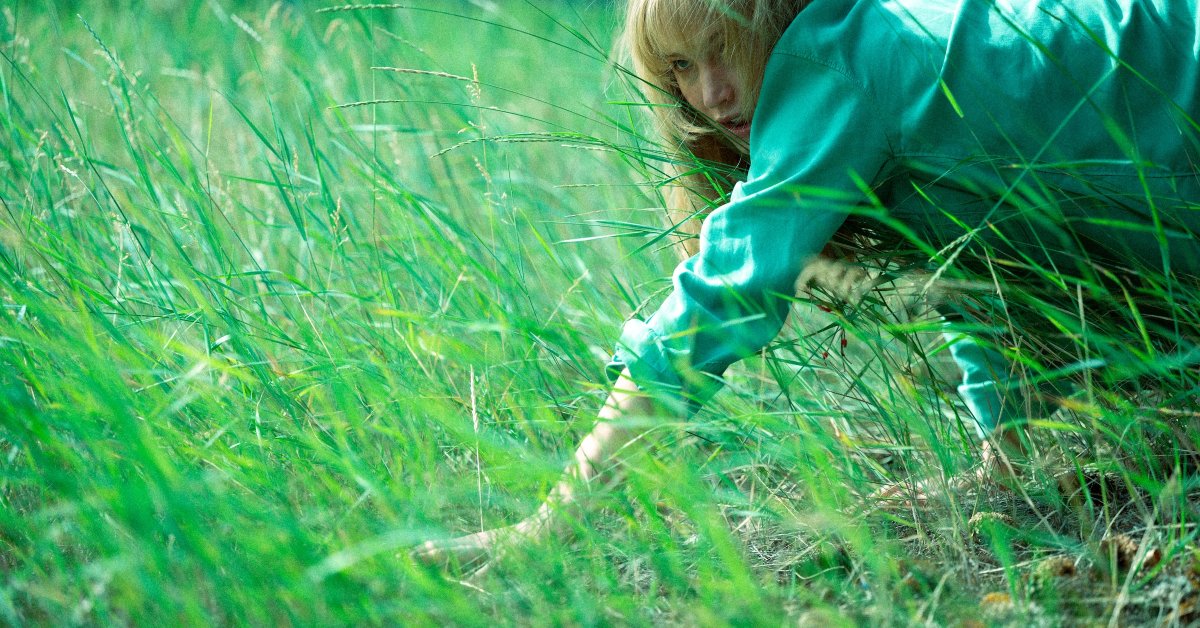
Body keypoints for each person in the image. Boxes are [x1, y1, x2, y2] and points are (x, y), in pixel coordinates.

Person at [416, 0, 1200, 567]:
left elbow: (718, 305)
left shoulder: (829, 62)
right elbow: (979, 255)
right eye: (682, 66)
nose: (713, 93)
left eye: (724, 45)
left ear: (768, 18)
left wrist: (554, 522)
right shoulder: (869, 40)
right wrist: (1007, 451)